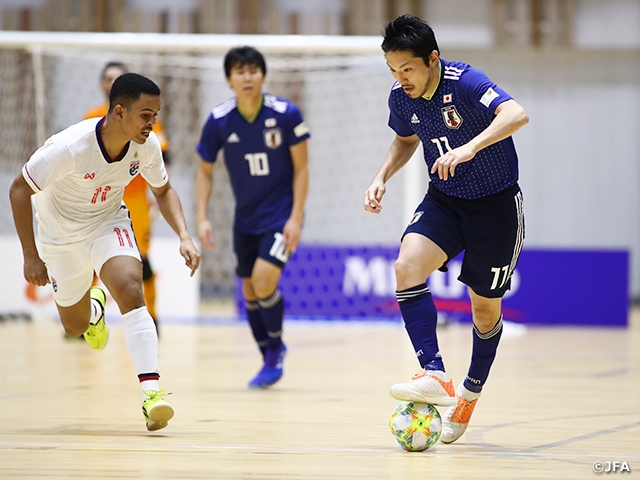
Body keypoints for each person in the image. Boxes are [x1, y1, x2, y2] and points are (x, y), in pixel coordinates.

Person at [364, 14, 528, 444]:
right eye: (393, 71)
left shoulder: (466, 82)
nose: (401, 79)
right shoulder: (402, 99)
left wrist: (470, 147)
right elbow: (404, 141)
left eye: (407, 69)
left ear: (432, 59)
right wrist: (382, 176)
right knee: (406, 267)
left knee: (484, 310)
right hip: (446, 200)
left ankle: (469, 395)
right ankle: (434, 373)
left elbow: (517, 113)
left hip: (495, 207)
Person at [9, 72, 200, 431]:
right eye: (146, 115)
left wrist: (185, 236)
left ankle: (152, 394)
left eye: (155, 115)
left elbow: (163, 190)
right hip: (60, 236)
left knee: (131, 287)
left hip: (107, 222)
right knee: (74, 324)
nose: (152, 123)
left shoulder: (147, 146)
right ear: (118, 112)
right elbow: (19, 189)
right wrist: (31, 256)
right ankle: (94, 307)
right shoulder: (70, 147)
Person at [195, 46, 310, 389]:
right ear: (229, 79)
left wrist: (296, 219)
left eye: (253, 71)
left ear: (263, 75)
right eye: (240, 72)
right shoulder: (218, 120)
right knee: (248, 288)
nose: (247, 77)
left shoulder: (286, 114)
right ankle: (268, 357)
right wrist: (201, 217)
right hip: (244, 219)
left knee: (263, 281)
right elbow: (204, 171)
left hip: (280, 217)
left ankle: (275, 349)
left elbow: (302, 168)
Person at [85, 61, 172, 330]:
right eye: (108, 78)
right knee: (88, 259)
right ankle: (86, 318)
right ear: (102, 84)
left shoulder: (144, 118)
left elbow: (162, 156)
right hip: (99, 197)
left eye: (118, 78)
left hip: (135, 198)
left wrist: (157, 198)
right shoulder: (91, 117)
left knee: (142, 260)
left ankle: (152, 317)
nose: (112, 82)